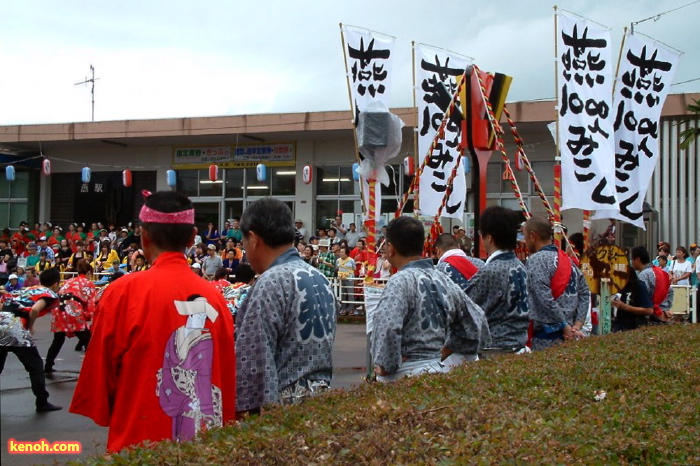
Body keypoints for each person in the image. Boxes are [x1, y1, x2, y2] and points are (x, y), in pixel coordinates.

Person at [70, 190, 236, 452]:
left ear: (143, 235)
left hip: (139, 446)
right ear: (193, 237)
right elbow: (226, 379)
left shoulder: (122, 293)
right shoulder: (216, 300)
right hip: (205, 450)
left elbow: (99, 384)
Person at [235, 198, 338, 414]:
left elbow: (253, 361)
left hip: (283, 411)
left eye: (243, 243)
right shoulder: (320, 278)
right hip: (322, 403)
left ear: (253, 239)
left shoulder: (270, 282)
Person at [371, 216, 490, 382]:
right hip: (437, 370)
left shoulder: (399, 281)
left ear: (390, 248)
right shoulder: (442, 278)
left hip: (403, 375)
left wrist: (385, 365)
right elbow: (478, 321)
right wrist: (447, 350)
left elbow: (388, 326)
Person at [465, 207, 530, 353]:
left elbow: (464, 307)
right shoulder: (520, 266)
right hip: (519, 344)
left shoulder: (492, 270)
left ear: (489, 237)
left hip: (497, 349)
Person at [523, 216, 591, 351]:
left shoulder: (536, 260)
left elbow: (544, 298)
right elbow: (584, 291)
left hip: (547, 338)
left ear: (532, 236)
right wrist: (577, 324)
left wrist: (564, 326)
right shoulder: (568, 260)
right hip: (572, 334)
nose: (524, 242)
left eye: (525, 237)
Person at [0, 267, 63, 412]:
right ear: (55, 284)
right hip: (16, 327)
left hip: (2, 320)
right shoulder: (49, 293)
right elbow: (35, 309)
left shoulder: (25, 289)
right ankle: (42, 401)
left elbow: (3, 300)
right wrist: (30, 325)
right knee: (35, 365)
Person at [44, 259, 95, 372]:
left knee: (58, 339)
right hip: (72, 309)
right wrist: (87, 317)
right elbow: (91, 305)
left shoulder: (69, 281)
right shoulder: (88, 283)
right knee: (88, 340)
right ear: (88, 273)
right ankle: (90, 368)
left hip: (58, 308)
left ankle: (48, 365)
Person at [631, 245, 672, 321]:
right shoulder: (660, 271)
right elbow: (670, 290)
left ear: (637, 259)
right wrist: (666, 307)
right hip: (664, 314)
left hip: (652, 316)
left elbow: (643, 297)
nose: (631, 262)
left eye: (632, 259)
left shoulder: (643, 275)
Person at [612, 267, 654, 332]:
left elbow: (649, 310)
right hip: (618, 326)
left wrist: (625, 307)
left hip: (634, 328)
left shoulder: (638, 286)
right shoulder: (616, 287)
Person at [336, 246, 356, 315]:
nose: (341, 253)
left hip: (349, 278)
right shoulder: (338, 260)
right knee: (342, 294)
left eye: (342, 252)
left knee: (350, 294)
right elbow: (337, 268)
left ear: (346, 253)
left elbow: (354, 268)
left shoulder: (351, 260)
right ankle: (343, 308)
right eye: (340, 252)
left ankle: (351, 309)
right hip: (341, 278)